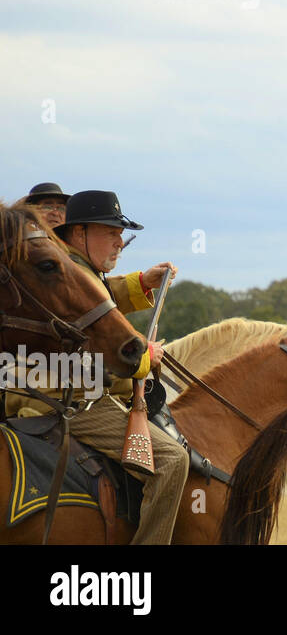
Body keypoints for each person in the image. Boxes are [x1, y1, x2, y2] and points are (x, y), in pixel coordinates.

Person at [47, 190, 188, 545]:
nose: (120, 243)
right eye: (110, 232)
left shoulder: (77, 268)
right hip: (78, 401)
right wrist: (144, 359)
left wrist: (142, 282)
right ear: (79, 233)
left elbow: (104, 294)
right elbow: (92, 344)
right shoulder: (74, 275)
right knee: (173, 460)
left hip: (78, 394)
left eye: (121, 234)